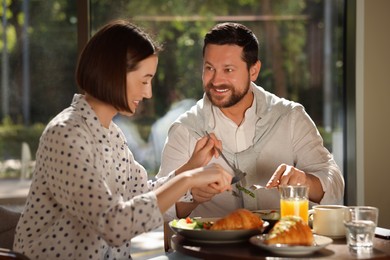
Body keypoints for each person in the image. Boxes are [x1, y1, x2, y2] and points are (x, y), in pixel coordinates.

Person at [13, 20, 232, 260]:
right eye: (144, 80)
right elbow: (114, 225)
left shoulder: (111, 133)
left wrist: (192, 166)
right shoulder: (65, 134)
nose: (148, 93)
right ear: (113, 73)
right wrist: (190, 178)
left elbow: (141, 194)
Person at [157, 22, 345, 220]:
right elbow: (160, 210)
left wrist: (306, 182)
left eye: (228, 70)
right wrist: (192, 197)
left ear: (253, 71)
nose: (216, 80)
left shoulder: (291, 117)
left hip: (281, 244)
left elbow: (335, 185)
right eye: (209, 68)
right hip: (211, 249)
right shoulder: (185, 129)